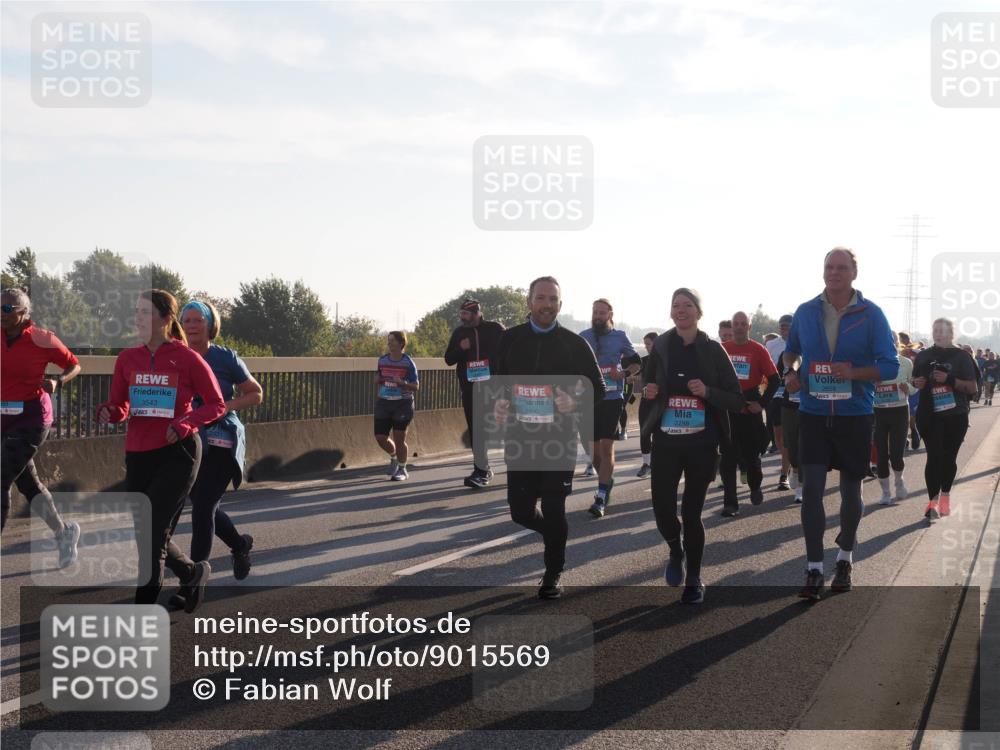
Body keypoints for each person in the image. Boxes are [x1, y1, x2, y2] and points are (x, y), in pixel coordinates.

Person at [96, 290, 226, 608]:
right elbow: (121, 406)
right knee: (149, 533)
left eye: (145, 312)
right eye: (136, 311)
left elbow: (216, 404)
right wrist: (110, 412)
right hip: (139, 454)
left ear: (166, 319)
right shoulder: (127, 358)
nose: (138, 318)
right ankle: (192, 571)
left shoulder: (187, 358)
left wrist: (184, 423)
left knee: (153, 535)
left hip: (178, 453)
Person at [783, 248, 898, 601]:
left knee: (850, 492)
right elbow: (792, 350)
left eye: (841, 267)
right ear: (823, 272)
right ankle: (815, 567)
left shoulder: (872, 314)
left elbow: (890, 366)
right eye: (829, 267)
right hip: (814, 413)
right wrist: (791, 370)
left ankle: (845, 556)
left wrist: (854, 373)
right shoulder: (806, 311)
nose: (834, 272)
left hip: (854, 415)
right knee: (812, 490)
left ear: (854, 273)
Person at [493, 276, 605, 599]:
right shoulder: (510, 340)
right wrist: (499, 403)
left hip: (559, 441)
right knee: (521, 512)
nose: (546, 304)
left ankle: (553, 572)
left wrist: (576, 400)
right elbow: (499, 381)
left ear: (560, 304)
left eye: (552, 299)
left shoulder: (574, 344)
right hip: (520, 439)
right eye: (541, 298)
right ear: (529, 302)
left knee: (555, 509)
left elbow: (597, 387)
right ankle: (554, 535)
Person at [642, 288, 745, 604]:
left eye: (688, 305)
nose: (681, 310)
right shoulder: (660, 348)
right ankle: (676, 549)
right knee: (662, 510)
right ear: (671, 312)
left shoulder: (713, 350)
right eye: (676, 305)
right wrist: (648, 391)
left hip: (702, 442)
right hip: (667, 442)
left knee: (691, 511)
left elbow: (736, 399)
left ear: (699, 312)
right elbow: (646, 388)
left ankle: (695, 578)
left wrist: (707, 392)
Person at [166, 300, 264, 611]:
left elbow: (255, 393)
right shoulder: (173, 355)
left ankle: (192, 582)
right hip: (187, 439)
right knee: (203, 505)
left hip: (221, 439)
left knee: (203, 506)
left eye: (198, 320)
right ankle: (239, 544)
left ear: (210, 325)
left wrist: (221, 408)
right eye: (187, 320)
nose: (192, 325)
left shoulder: (225, 357)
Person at [1, 288, 82, 566]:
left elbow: (74, 365)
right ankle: (63, 533)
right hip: (2, 418)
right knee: (28, 484)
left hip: (32, 418)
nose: (2, 313)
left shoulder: (42, 339)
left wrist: (59, 382)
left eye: (8, 309)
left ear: (24, 313)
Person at [579, 299, 642, 517]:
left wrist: (624, 374)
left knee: (606, 447)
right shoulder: (583, 336)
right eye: (595, 312)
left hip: (612, 397)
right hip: (587, 399)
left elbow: (637, 362)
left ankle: (601, 495)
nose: (598, 316)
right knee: (593, 451)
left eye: (602, 312)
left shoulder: (620, 337)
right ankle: (606, 480)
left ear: (610, 314)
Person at [912, 319, 979, 520]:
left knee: (948, 459)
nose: (938, 334)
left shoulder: (961, 356)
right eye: (935, 330)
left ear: (951, 333)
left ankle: (946, 497)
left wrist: (949, 379)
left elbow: (972, 388)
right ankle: (932, 503)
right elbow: (915, 381)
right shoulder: (923, 355)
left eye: (943, 330)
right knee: (933, 458)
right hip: (928, 415)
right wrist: (917, 382)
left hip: (955, 415)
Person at [719, 311, 780, 515]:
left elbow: (775, 380)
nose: (738, 327)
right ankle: (730, 503)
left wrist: (761, 404)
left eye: (742, 323)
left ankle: (755, 486)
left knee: (751, 457)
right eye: (735, 323)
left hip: (750, 406)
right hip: (729, 408)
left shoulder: (758, 350)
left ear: (749, 327)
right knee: (727, 458)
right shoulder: (722, 349)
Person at [444, 299, 505, 489]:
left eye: (466, 314)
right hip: (471, 389)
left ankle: (523, 467)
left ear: (477, 313)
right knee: (477, 430)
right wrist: (460, 349)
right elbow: (448, 360)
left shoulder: (496, 329)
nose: (462, 318)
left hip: (495, 388)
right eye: (461, 314)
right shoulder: (459, 333)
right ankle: (481, 470)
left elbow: (510, 352)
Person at [873, 331, 913, 505]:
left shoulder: (906, 363)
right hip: (879, 411)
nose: (890, 344)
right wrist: (871, 385)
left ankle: (899, 481)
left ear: (898, 343)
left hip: (900, 411)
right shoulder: (874, 363)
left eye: (894, 341)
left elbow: (914, 385)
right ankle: (885, 492)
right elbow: (865, 387)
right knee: (881, 454)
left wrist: (908, 388)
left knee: (896, 454)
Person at [374, 331, 420, 481]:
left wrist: (402, 383)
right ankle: (394, 457)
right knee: (380, 437)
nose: (389, 343)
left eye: (392, 341)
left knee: (399, 438)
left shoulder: (408, 363)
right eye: (388, 341)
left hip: (402, 403)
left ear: (401, 343)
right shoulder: (382, 360)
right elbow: (378, 376)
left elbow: (416, 386)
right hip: (384, 402)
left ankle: (402, 469)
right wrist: (378, 379)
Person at [766, 315, 794, 489]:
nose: (785, 329)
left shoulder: (802, 343)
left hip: (794, 394)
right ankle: (788, 464)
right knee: (778, 436)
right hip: (776, 393)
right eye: (782, 326)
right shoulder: (771, 345)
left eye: (788, 326)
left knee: (789, 436)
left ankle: (785, 473)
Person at [635, 332, 658, 478]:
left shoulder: (665, 361)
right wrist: (628, 377)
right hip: (645, 401)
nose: (646, 347)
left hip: (659, 402)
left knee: (658, 434)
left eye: (648, 344)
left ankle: (656, 462)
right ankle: (646, 463)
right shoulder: (644, 361)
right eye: (645, 344)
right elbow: (634, 372)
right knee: (644, 432)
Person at [898, 331, 922, 449]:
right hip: (898, 387)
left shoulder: (917, 352)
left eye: (900, 339)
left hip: (913, 386)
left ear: (906, 339)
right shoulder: (896, 353)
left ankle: (914, 430)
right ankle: (905, 437)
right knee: (901, 414)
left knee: (911, 412)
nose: (899, 342)